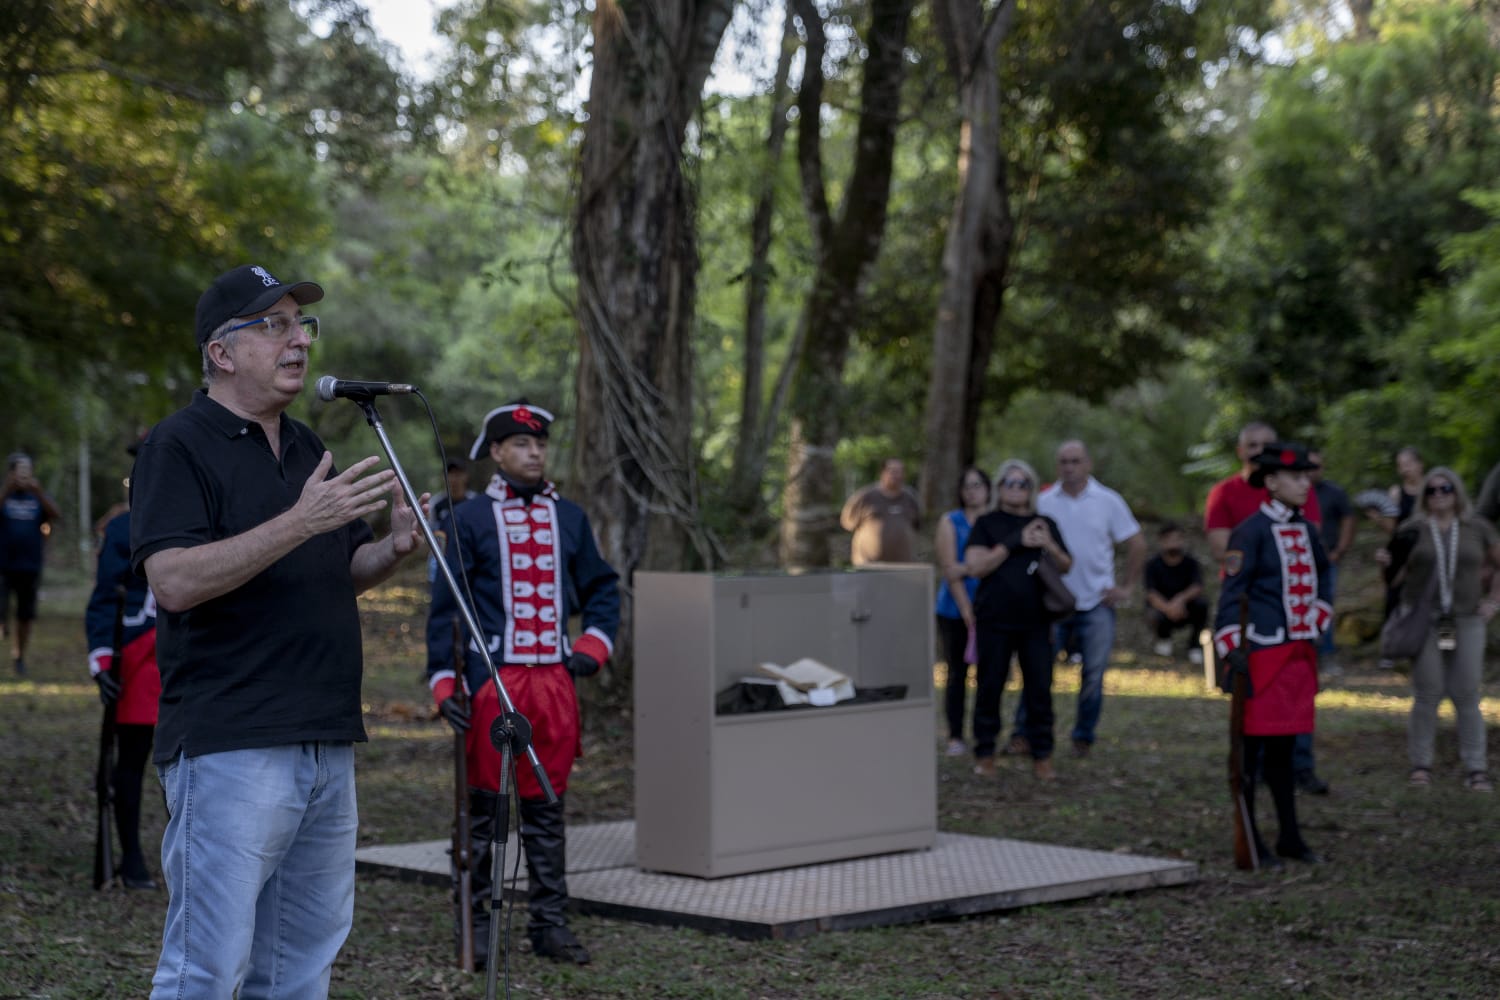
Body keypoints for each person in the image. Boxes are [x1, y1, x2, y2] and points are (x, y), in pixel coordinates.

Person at [130, 263, 428, 998]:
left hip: (326, 739)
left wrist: (392, 551)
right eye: (275, 326)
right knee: (205, 970)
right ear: (221, 352)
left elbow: (338, 568)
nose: (299, 341)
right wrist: (298, 522)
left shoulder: (305, 447)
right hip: (232, 744)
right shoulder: (178, 445)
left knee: (298, 971)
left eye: (302, 325)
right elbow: (173, 581)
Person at [427, 401, 620, 965]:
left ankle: (549, 925)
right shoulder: (469, 519)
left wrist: (592, 648)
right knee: (484, 811)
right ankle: (479, 925)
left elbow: (603, 589)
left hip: (555, 682)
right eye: (521, 444)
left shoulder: (571, 518)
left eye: (539, 445)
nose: (534, 453)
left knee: (546, 808)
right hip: (494, 680)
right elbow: (446, 609)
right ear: (496, 452)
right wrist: (445, 683)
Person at [1213, 442, 1332, 865]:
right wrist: (1231, 647)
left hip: (1297, 657)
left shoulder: (1308, 531)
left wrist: (1318, 617)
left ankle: (1290, 837)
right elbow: (1231, 594)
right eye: (1296, 477)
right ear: (1271, 481)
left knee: (1285, 752)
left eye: (1306, 476)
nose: (1305, 484)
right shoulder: (1250, 531)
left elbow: (1323, 578)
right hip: (1261, 657)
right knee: (1251, 754)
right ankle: (1250, 838)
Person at [1385, 468, 1497, 793]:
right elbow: (1394, 579)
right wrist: (1386, 564)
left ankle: (1476, 767)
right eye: (1431, 490)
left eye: (1445, 488)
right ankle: (1421, 764)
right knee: (1428, 691)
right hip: (1426, 620)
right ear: (1424, 496)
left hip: (1466, 619)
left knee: (1466, 693)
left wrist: (1493, 601)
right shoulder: (1413, 529)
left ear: (1456, 492)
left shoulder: (1477, 528)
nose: (1439, 495)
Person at [1031, 440, 1145, 758]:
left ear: (1088, 463)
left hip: (1097, 602)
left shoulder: (1108, 500)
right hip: (1053, 603)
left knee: (1093, 674)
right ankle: (1027, 734)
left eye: (1076, 461)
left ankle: (1083, 737)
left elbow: (1137, 543)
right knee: (1039, 671)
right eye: (1064, 461)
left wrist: (1127, 587)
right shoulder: (1043, 502)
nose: (1070, 467)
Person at [84, 440, 161, 890]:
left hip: (190, 656)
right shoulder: (121, 529)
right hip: (136, 658)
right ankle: (131, 857)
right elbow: (103, 601)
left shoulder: (204, 520)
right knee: (131, 761)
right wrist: (103, 663)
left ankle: (190, 855)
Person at [964, 459, 1071, 780]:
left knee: (1040, 689)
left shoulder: (1044, 523)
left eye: (1022, 483)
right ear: (999, 488)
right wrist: (1014, 542)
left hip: (1036, 621)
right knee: (990, 686)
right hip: (994, 619)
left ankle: (1043, 755)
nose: (1016, 489)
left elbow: (1066, 565)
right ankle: (985, 753)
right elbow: (975, 566)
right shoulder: (987, 523)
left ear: (1031, 489)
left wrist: (1048, 544)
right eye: (1009, 482)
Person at [935, 466, 991, 756]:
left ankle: (984, 734)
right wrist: (967, 610)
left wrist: (967, 567)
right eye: (967, 486)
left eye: (977, 485)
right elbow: (950, 571)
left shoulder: (995, 521)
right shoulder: (950, 522)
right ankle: (955, 735)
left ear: (988, 489)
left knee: (988, 676)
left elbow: (997, 563)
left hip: (990, 609)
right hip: (954, 610)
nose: (972, 491)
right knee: (957, 673)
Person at [1, 452, 62, 675]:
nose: (24, 475)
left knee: (25, 616)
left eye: (27, 470)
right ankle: (2, 623)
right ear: (11, 473)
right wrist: (6, 490)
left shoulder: (37, 497)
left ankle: (19, 656)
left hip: (29, 565)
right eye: (20, 470)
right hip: (3, 565)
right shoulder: (4, 494)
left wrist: (39, 492)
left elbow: (56, 515)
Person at [1308, 450, 1355, 672]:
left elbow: (1348, 519)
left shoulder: (1334, 493)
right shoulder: (1295, 491)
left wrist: (1339, 550)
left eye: (1316, 466)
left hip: (1327, 560)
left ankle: (1326, 654)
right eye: (1308, 466)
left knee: (1325, 605)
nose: (1312, 471)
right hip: (1299, 560)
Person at [1143, 522, 1207, 663]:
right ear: (1161, 541)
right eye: (1169, 539)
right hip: (1163, 609)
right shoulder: (1153, 564)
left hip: (1186, 607)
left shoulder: (1191, 563)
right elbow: (1151, 593)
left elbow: (1197, 586)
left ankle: (1194, 646)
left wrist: (1180, 600)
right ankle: (1163, 639)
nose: (1174, 543)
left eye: (1177, 538)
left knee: (1202, 604)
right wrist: (1169, 608)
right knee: (1153, 612)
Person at [840, 458, 922, 565]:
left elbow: (917, 525)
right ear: (882, 473)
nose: (897, 475)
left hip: (903, 566)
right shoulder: (866, 497)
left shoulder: (910, 498)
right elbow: (847, 523)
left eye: (900, 471)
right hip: (868, 565)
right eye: (893, 471)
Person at [427, 458, 477, 583]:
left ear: (466, 476)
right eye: (450, 474)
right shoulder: (436, 504)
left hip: (471, 559)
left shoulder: (474, 502)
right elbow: (430, 532)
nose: (454, 478)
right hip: (441, 560)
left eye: (458, 474)